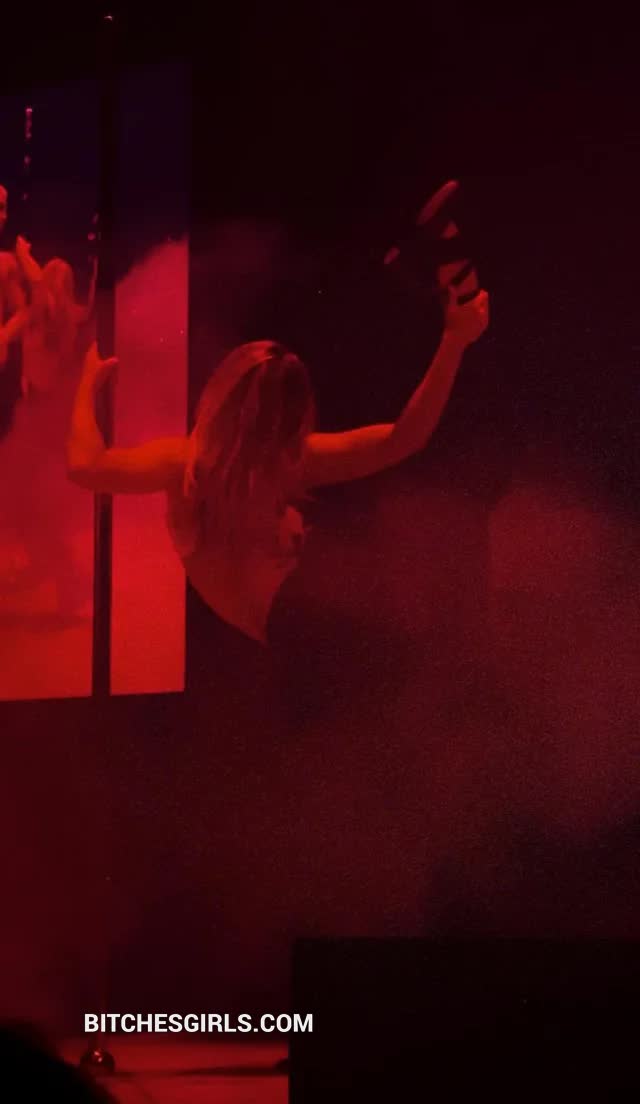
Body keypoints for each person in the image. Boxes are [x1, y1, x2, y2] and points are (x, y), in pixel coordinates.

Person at [67, 287, 489, 642]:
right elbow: (404, 439)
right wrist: (453, 342)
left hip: (298, 624)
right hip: (295, 625)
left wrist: (87, 385)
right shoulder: (242, 464)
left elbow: (85, 466)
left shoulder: (195, 465)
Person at [14, 233, 95, 396]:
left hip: (43, 382)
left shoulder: (55, 306)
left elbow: (38, 282)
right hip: (41, 382)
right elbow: (37, 283)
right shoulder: (45, 303)